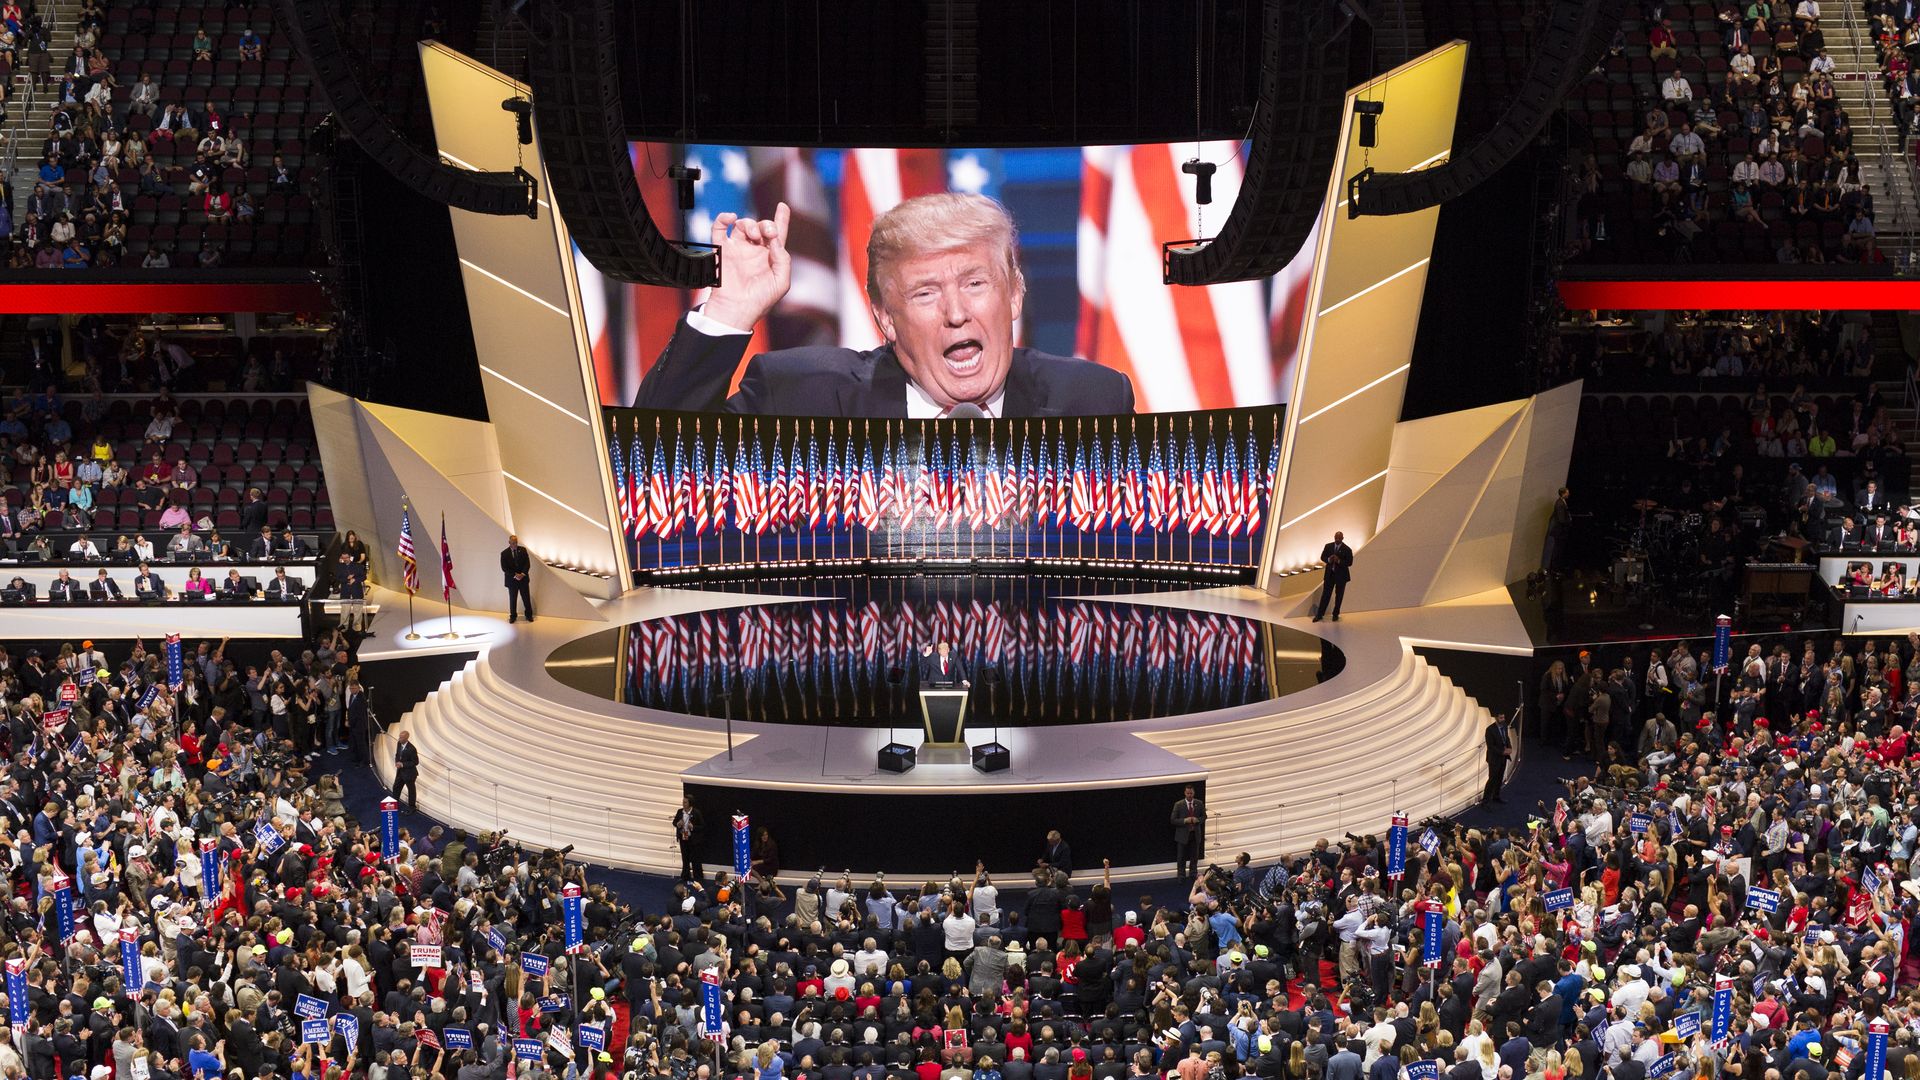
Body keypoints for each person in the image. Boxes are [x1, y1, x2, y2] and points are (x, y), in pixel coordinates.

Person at [633, 194, 1135, 417]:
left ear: (1016, 293)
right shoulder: (804, 397)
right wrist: (730, 310)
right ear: (885, 319)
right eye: (925, 293)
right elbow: (654, 470)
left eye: (976, 282)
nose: (956, 312)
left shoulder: (1089, 402)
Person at [1313, 531, 1354, 622]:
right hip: (1329, 575)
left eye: (1339, 538)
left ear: (1343, 538)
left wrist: (1339, 561)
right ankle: (1319, 615)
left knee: (1339, 596)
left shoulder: (1347, 549)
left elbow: (1350, 563)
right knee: (1325, 595)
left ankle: (1335, 614)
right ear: (1334, 537)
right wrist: (1328, 559)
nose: (1337, 540)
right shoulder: (1328, 546)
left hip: (1341, 577)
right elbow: (1323, 557)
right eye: (1336, 538)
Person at [1170, 784, 1205, 883]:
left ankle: (1193, 874)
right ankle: (1181, 875)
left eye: (1191, 793)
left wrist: (1197, 819)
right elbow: (1173, 820)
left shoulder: (1199, 803)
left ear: (1194, 793)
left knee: (1194, 856)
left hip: (1195, 834)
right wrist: (1184, 820)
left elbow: (1204, 817)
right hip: (1182, 835)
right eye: (1188, 793)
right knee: (1181, 857)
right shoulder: (1178, 804)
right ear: (1185, 793)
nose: (1189, 795)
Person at [500, 534, 534, 623]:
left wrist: (522, 574)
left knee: (526, 598)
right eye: (513, 543)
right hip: (512, 581)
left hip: (523, 579)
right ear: (509, 542)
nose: (515, 545)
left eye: (516, 543)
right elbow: (504, 568)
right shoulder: (504, 553)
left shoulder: (523, 550)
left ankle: (529, 615)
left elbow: (527, 564)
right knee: (513, 599)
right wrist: (515, 575)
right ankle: (513, 616)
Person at [671, 795, 704, 882]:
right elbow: (674, 822)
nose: (683, 804)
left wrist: (693, 827)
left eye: (685, 802)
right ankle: (685, 877)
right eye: (683, 802)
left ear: (690, 803)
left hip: (693, 840)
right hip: (683, 838)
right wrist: (678, 824)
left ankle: (697, 878)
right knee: (685, 859)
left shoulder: (696, 813)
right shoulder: (680, 812)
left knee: (695, 859)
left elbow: (702, 826)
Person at [1482, 712, 1512, 805]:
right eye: (1500, 718)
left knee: (1499, 778)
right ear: (1496, 718)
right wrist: (1502, 752)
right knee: (1492, 779)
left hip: (1503, 758)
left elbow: (1506, 739)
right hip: (1494, 759)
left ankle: (1496, 796)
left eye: (1503, 717)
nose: (1502, 719)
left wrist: (1509, 747)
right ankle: (1485, 801)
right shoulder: (1490, 730)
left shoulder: (1504, 726)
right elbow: (1490, 746)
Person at [393, 729, 420, 810]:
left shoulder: (412, 749)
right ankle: (394, 804)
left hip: (409, 774)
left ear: (406, 738)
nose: (399, 739)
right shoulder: (399, 743)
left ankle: (412, 807)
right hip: (400, 772)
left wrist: (403, 764)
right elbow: (397, 754)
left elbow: (415, 762)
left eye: (401, 738)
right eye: (399, 737)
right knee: (396, 787)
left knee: (411, 791)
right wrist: (397, 762)